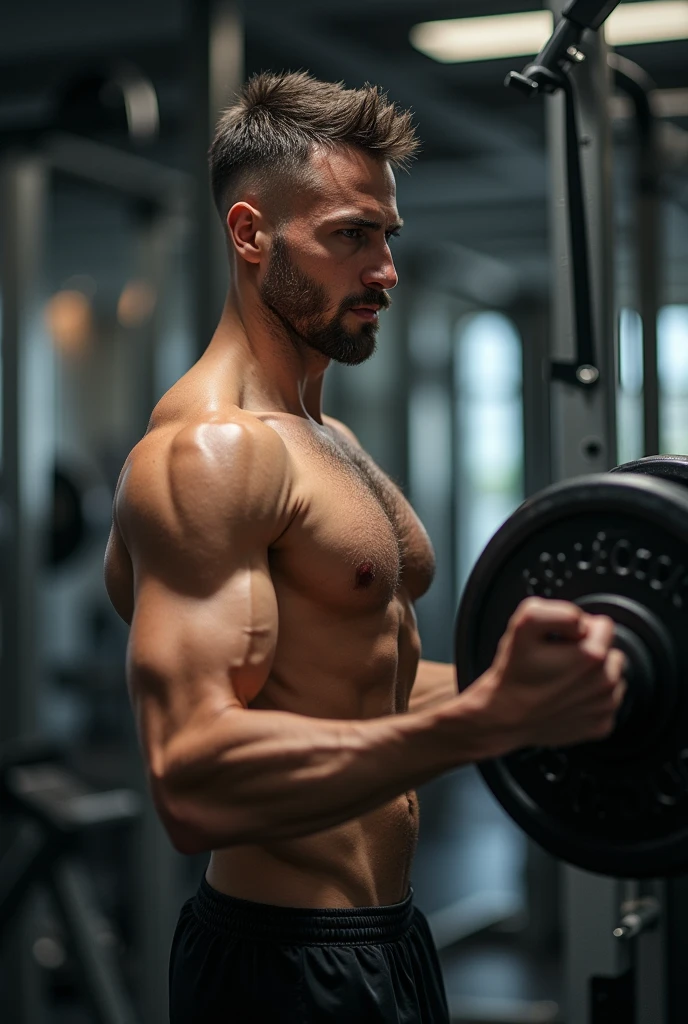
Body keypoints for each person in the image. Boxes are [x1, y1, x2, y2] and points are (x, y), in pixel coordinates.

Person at [103, 71, 626, 1024]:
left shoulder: (325, 436)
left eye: (387, 236)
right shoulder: (210, 454)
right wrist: (484, 725)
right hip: (278, 961)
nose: (385, 268)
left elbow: (365, 675)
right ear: (252, 234)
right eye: (350, 235)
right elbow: (189, 778)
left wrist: (553, 689)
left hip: (390, 937)